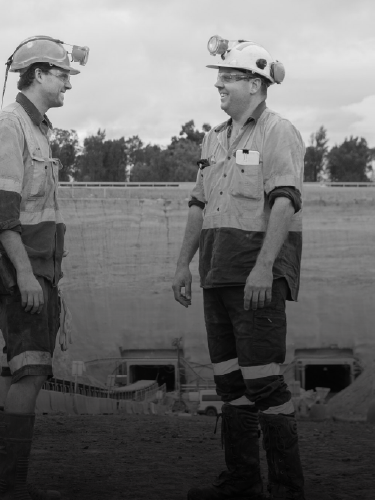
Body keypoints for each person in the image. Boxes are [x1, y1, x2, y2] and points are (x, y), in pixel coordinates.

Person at [172, 36, 305, 500]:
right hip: (216, 273)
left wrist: (264, 268)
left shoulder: (277, 131)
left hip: (255, 277)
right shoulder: (213, 137)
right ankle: (243, 482)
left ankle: (287, 489)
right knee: (231, 382)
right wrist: (182, 265)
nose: (219, 85)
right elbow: (198, 204)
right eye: (219, 78)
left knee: (265, 382)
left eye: (227, 78)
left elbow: (284, 202)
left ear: (255, 83)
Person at [0, 36, 88, 500]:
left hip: (38, 267)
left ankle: (2, 486)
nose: (67, 84)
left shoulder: (36, 128)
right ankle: (10, 490)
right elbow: (2, 212)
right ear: (38, 74)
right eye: (61, 75)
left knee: (15, 370)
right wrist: (24, 274)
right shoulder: (10, 125)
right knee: (32, 372)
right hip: (24, 268)